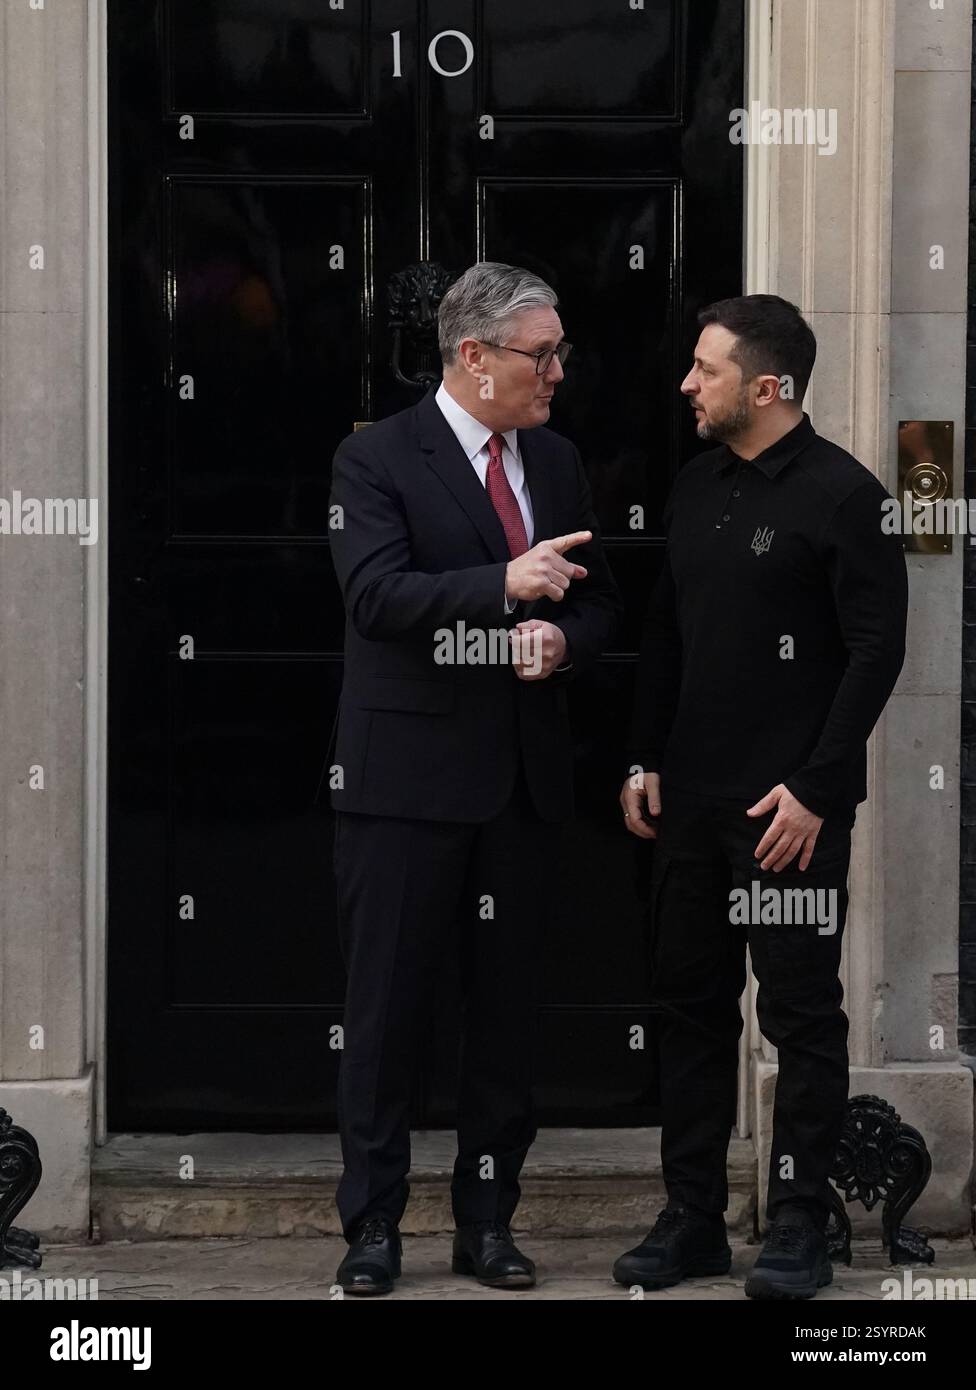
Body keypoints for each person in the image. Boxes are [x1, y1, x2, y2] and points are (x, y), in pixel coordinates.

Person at [328, 261, 621, 1295]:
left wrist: (559, 641)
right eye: (541, 354)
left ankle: (486, 1223)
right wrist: (502, 583)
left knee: (505, 1020)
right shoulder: (374, 459)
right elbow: (374, 596)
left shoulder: (559, 459)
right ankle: (371, 1228)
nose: (556, 371)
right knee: (387, 1014)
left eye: (557, 353)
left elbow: (598, 607)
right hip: (404, 784)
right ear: (473, 356)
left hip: (520, 788)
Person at [616, 294, 908, 1299]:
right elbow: (665, 631)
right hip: (689, 809)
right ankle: (691, 1218)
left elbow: (875, 654)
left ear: (766, 385)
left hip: (787, 818)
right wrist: (640, 756)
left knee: (798, 1015)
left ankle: (795, 1225)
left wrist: (817, 790)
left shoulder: (845, 496)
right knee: (690, 1010)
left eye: (705, 368)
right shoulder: (696, 487)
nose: (687, 385)